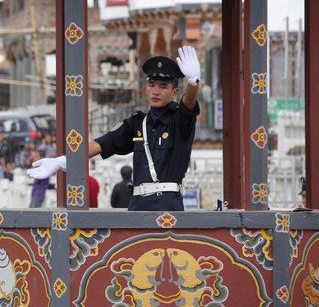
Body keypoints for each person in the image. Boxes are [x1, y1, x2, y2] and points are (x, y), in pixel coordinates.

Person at [28, 46, 201, 212]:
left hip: (167, 208)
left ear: (174, 92)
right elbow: (102, 143)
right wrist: (62, 160)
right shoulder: (137, 123)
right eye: (152, 85)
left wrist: (193, 83)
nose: (155, 91)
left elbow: (189, 103)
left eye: (163, 87)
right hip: (138, 208)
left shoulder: (179, 120)